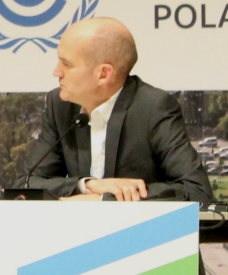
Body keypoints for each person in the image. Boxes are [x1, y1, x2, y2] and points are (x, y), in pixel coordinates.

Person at [22, 17, 211, 203]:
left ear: (103, 74)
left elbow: (196, 191)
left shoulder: (153, 107)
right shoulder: (60, 105)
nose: (56, 72)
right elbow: (26, 184)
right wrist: (88, 185)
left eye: (67, 64)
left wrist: (105, 199)